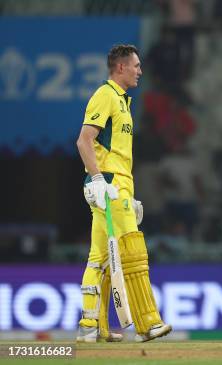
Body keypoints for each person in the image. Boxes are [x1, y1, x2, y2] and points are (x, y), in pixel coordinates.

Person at [76, 44, 172, 343]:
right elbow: (84, 141)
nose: (140, 71)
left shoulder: (121, 101)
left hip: (117, 186)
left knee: (100, 258)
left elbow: (112, 151)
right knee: (133, 252)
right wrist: (98, 181)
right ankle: (148, 324)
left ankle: (91, 326)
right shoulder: (105, 95)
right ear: (121, 68)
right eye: (136, 66)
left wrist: (127, 195)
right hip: (108, 185)